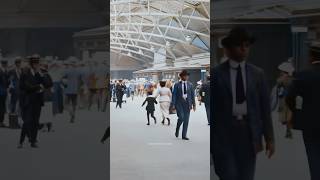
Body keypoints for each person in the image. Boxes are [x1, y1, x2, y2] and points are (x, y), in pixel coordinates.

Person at [211, 27, 275, 180]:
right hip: (224, 133)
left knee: (246, 175)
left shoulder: (257, 74)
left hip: (249, 132)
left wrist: (270, 138)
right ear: (228, 49)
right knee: (229, 174)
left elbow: (264, 109)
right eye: (239, 45)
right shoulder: (216, 75)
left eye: (246, 45)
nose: (243, 49)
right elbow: (211, 109)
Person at [286, 43, 320, 180]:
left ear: (311, 57)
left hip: (310, 124)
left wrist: (296, 112)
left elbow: (290, 97)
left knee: (313, 156)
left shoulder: (304, 75)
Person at [18, 55, 52, 148]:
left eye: (37, 63)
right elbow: (22, 85)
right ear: (30, 63)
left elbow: (48, 84)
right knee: (27, 121)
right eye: (34, 63)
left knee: (35, 121)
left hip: (38, 100)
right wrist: (36, 87)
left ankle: (33, 141)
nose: (35, 65)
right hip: (28, 100)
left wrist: (39, 73)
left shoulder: (41, 72)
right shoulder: (25, 72)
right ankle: (21, 141)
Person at [270, 58, 295, 138]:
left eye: (283, 73)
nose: (280, 74)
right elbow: (273, 101)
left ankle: (288, 130)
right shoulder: (278, 86)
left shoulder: (291, 85)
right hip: (281, 110)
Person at [171, 70, 196, 140]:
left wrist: (194, 105)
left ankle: (184, 135)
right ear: (181, 76)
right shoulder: (176, 85)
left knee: (186, 120)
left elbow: (192, 95)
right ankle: (177, 128)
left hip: (188, 104)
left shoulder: (190, 85)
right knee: (181, 117)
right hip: (179, 104)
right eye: (184, 75)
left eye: (187, 75)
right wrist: (173, 104)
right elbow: (174, 95)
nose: (186, 77)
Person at [0, 59, 9, 127]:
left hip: (4, 92)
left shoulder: (6, 71)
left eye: (5, 64)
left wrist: (9, 80)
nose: (5, 65)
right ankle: (0, 122)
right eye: (4, 64)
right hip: (0, 92)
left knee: (3, 107)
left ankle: (1, 121)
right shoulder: (0, 71)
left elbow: (7, 83)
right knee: (1, 107)